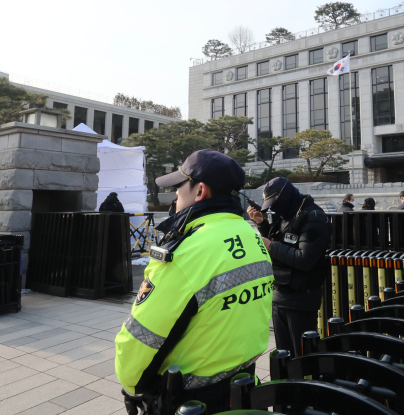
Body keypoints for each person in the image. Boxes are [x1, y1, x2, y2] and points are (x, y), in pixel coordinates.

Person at [115, 149, 274, 414]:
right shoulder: (252, 235)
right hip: (245, 386)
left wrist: (132, 386)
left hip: (190, 400)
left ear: (200, 191)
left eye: (179, 186)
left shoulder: (187, 251)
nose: (176, 194)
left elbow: (140, 340)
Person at [247, 177, 331, 358]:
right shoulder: (287, 216)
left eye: (273, 202)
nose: (272, 207)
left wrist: (270, 246)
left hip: (301, 298)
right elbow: (279, 239)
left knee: (302, 356)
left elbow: (305, 259)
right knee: (284, 356)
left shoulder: (314, 216)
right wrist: (262, 224)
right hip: (280, 295)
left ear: (284, 196)